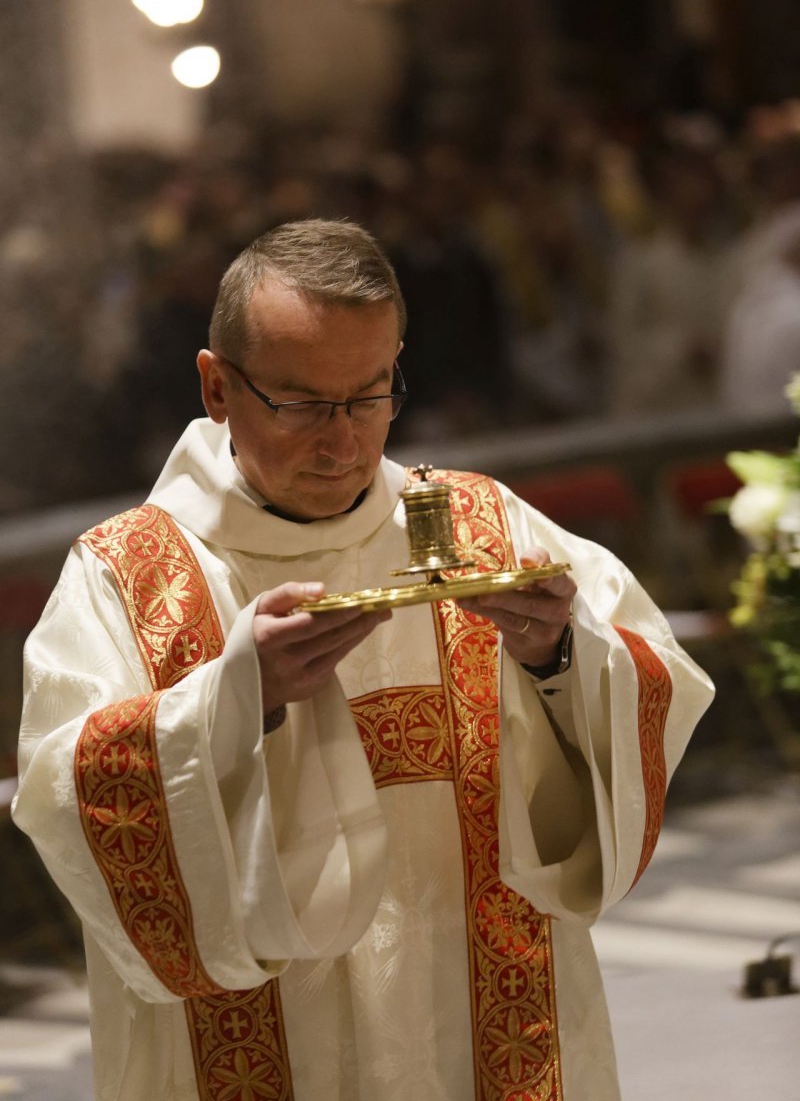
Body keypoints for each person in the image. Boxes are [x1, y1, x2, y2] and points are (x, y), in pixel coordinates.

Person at [13, 219, 713, 1101]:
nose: (343, 442)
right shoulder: (130, 576)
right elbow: (65, 790)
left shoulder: (481, 528)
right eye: (303, 404)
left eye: (371, 395)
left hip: (482, 1035)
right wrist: (237, 701)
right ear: (216, 386)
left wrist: (558, 656)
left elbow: (655, 680)